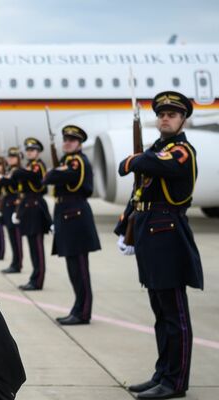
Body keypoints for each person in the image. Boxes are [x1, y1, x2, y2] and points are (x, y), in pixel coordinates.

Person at [115, 91, 202, 399]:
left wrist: (135, 159)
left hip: (169, 234)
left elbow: (150, 164)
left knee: (175, 315)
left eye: (172, 114)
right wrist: (124, 226)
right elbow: (138, 188)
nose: (165, 118)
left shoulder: (181, 151)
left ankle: (175, 382)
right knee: (161, 313)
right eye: (162, 114)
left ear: (183, 120)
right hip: (150, 234)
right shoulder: (156, 151)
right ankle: (162, 373)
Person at [43, 125, 101, 325]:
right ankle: (77, 308)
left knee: (80, 270)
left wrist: (54, 172)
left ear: (80, 143)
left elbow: (51, 177)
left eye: (72, 140)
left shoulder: (77, 161)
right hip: (67, 216)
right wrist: (55, 171)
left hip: (76, 216)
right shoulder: (66, 161)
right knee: (73, 269)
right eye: (66, 140)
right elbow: (49, 178)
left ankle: (83, 312)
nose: (67, 143)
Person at [10, 137, 52, 290]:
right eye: (27, 150)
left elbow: (31, 176)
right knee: (32, 246)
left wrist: (17, 170)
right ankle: (34, 278)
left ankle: (38, 280)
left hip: (36, 207)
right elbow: (17, 177)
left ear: (38, 152)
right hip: (28, 208)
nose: (29, 152)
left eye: (32, 150)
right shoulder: (28, 166)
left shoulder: (38, 166)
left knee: (37, 247)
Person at [0, 147, 24, 273]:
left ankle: (18, 264)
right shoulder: (10, 170)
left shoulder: (18, 171)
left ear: (18, 158)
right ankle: (14, 262)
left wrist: (2, 178)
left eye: (13, 157)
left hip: (14, 205)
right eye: (9, 157)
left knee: (16, 237)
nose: (10, 159)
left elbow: (12, 183)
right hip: (7, 205)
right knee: (12, 237)